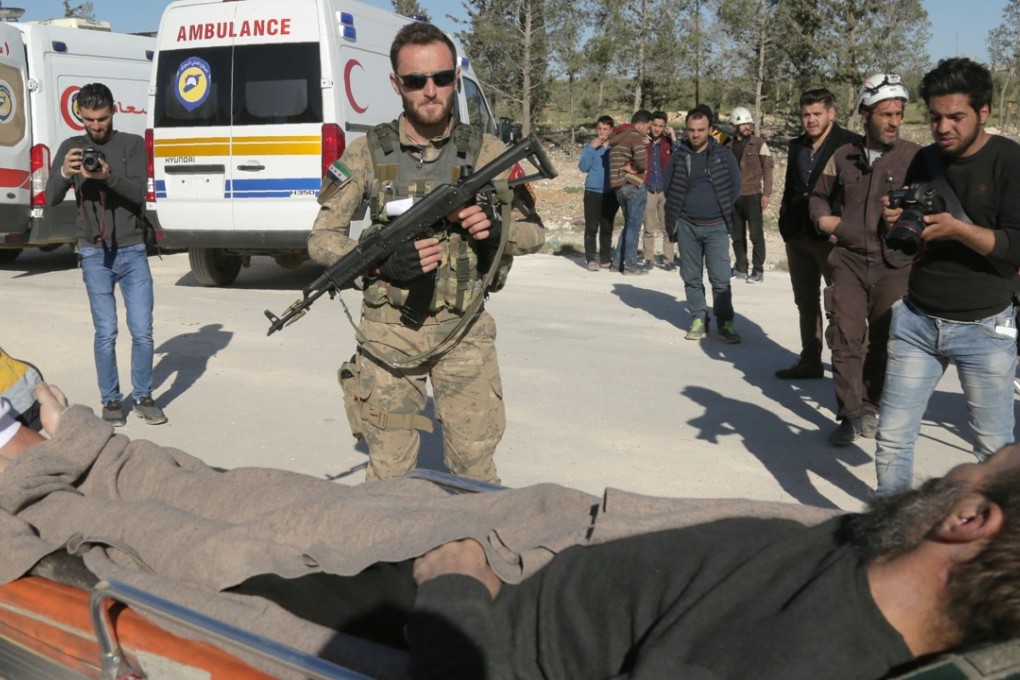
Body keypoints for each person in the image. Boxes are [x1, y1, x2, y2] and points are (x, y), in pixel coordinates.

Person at [6, 384, 1020, 680]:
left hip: (454, 598)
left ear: (970, 520)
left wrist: (455, 588)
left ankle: (44, 491)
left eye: (972, 470)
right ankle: (75, 443)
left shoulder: (797, 652)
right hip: (521, 529)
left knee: (217, 546)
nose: (957, 462)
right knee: (252, 490)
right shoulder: (874, 559)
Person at [307, 23, 545, 484]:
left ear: (456, 78)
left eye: (441, 78)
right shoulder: (367, 154)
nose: (430, 91)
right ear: (396, 84)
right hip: (388, 336)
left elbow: (537, 233)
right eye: (415, 81)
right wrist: (376, 260)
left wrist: (498, 231)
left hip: (465, 331)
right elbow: (321, 238)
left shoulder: (487, 152)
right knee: (389, 476)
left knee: (475, 471)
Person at [876, 58, 1020, 493]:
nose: (943, 127)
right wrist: (893, 222)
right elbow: (913, 235)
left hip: (986, 327)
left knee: (993, 452)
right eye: (935, 117)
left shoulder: (1010, 161)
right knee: (892, 439)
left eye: (956, 116)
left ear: (983, 113)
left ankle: (994, 550)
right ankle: (887, 537)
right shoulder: (924, 159)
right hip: (917, 320)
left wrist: (958, 229)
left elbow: (1016, 246)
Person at [43, 82, 166, 428]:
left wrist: (107, 176)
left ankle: (143, 395)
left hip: (132, 249)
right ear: (80, 116)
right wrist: (65, 172)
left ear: (114, 111)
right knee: (106, 332)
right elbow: (51, 198)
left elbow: (140, 193)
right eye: (89, 120)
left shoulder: (132, 144)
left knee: (142, 330)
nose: (96, 126)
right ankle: (111, 400)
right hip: (94, 254)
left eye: (101, 118)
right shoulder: (73, 147)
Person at [809, 74, 920, 447]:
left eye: (899, 114)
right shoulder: (842, 156)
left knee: (885, 342)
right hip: (850, 261)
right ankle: (849, 414)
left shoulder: (915, 158)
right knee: (845, 337)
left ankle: (871, 406)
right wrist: (823, 220)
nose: (893, 122)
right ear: (864, 115)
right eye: (886, 114)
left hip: (895, 265)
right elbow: (818, 197)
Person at [775, 89, 862, 381]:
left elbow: (857, 192)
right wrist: (784, 224)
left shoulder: (850, 144)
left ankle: (850, 369)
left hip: (831, 239)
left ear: (831, 114)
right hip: (798, 236)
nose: (810, 120)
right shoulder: (796, 145)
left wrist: (843, 228)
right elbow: (792, 188)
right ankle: (810, 360)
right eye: (805, 114)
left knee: (841, 306)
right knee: (806, 302)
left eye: (816, 114)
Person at [665, 105, 743, 344]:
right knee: (691, 276)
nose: (695, 134)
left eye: (700, 130)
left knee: (720, 278)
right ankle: (699, 318)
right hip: (687, 225)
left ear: (710, 129)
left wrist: (720, 211)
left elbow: (735, 186)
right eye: (691, 130)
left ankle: (725, 322)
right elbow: (669, 187)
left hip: (717, 226)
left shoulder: (722, 154)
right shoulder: (679, 154)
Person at [727, 106, 774, 284]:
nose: (747, 126)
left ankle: (758, 270)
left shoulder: (759, 143)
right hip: (734, 197)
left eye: (748, 123)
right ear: (734, 125)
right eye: (743, 124)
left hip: (753, 195)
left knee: (756, 235)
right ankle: (740, 267)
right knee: (737, 235)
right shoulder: (729, 146)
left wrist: (767, 193)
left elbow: (768, 169)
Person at [607, 109, 653, 275]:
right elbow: (642, 163)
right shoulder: (635, 137)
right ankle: (630, 266)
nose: (648, 131)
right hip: (633, 185)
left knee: (628, 226)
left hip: (618, 187)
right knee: (634, 227)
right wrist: (638, 165)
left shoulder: (618, 137)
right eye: (647, 127)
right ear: (640, 125)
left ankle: (617, 263)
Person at [578, 115, 619, 271]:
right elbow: (583, 167)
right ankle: (590, 259)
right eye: (599, 128)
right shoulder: (591, 147)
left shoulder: (615, 147)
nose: (602, 132)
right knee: (591, 227)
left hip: (610, 192)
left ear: (611, 130)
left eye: (605, 129)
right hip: (592, 192)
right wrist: (591, 148)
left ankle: (605, 258)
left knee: (607, 227)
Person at [641, 111, 676, 271]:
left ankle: (668, 259)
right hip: (648, 188)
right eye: (655, 125)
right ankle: (648, 258)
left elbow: (681, 155)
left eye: (661, 126)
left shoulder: (668, 143)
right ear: (650, 125)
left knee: (667, 227)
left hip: (665, 190)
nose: (657, 129)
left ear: (665, 127)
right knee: (649, 227)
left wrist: (674, 137)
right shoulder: (643, 141)